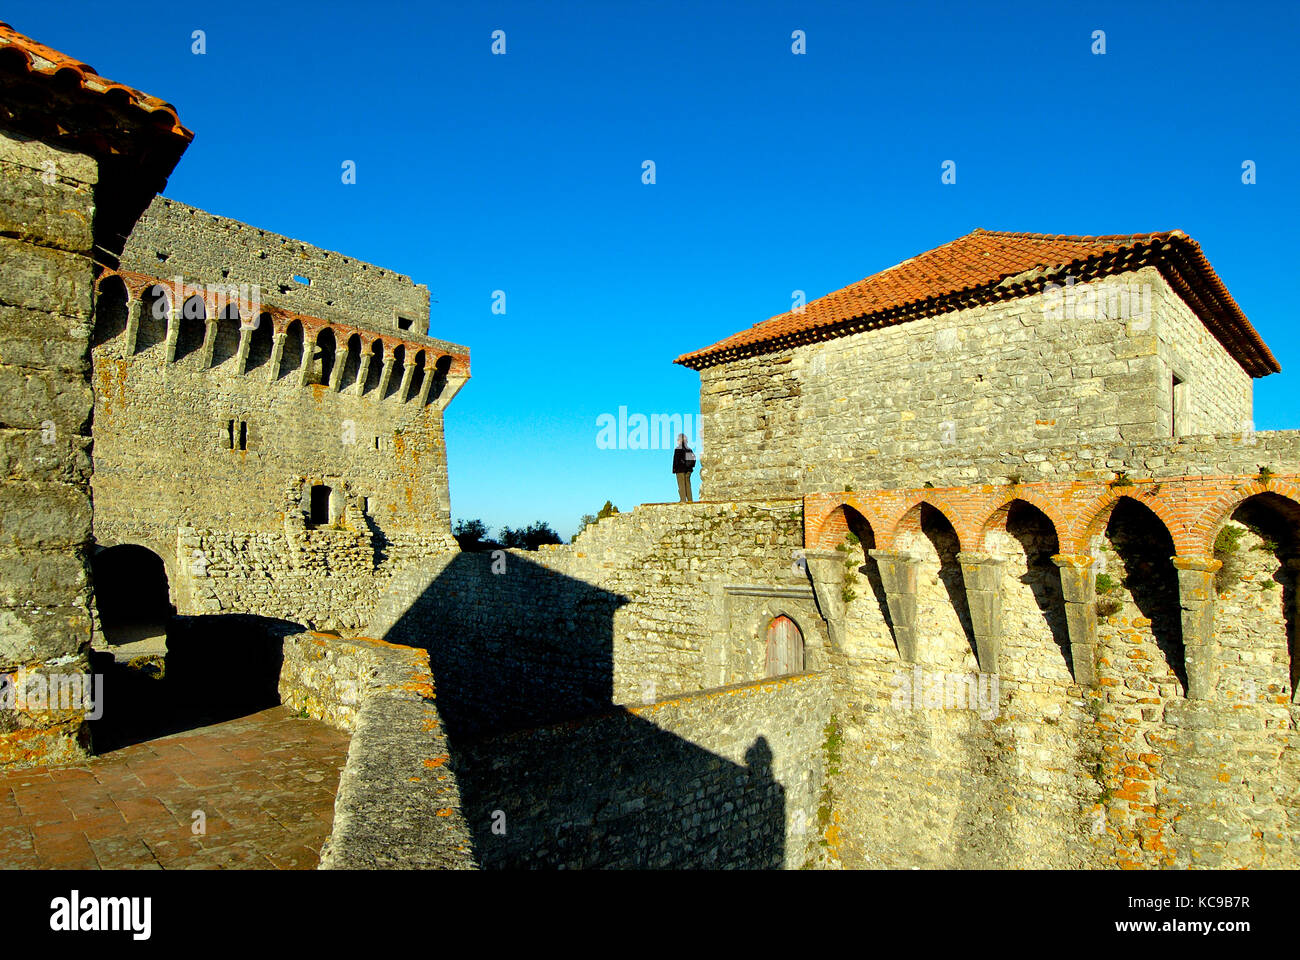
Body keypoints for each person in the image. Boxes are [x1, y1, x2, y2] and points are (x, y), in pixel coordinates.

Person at [672, 434, 695, 502]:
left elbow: (676, 460)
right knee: (688, 485)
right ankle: (690, 500)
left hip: (680, 470)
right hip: (688, 470)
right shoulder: (689, 449)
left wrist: (674, 469)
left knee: (681, 485)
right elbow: (693, 459)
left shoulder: (678, 449)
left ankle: (683, 500)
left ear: (680, 440)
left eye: (678, 440)